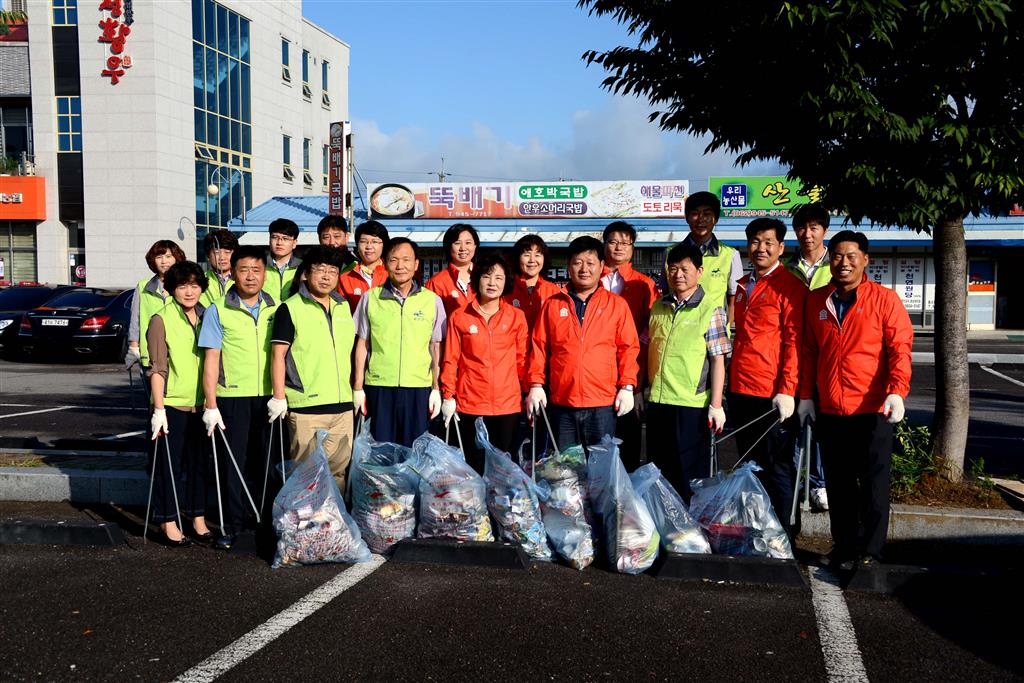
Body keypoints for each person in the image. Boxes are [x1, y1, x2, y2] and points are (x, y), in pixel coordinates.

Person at [798, 230, 912, 568]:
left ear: (865, 259)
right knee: (839, 484)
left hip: (872, 408)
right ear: (829, 259)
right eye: (837, 256)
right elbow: (809, 351)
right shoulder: (818, 300)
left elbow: (899, 349)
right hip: (832, 408)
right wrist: (806, 396)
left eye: (851, 256)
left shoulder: (884, 300)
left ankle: (871, 553)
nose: (843, 263)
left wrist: (897, 390)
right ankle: (844, 546)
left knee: (874, 485)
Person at [728, 218, 807, 539]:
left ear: (781, 248)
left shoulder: (790, 286)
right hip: (741, 388)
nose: (761, 248)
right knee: (750, 465)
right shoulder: (745, 284)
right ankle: (758, 529)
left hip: (772, 393)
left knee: (778, 466)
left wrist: (788, 389)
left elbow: (794, 341)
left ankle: (785, 534)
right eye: (755, 242)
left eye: (768, 243)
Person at [526, 236, 640, 452]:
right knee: (565, 474)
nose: (584, 269)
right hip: (562, 404)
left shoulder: (616, 305)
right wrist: (535, 385)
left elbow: (628, 348)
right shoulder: (553, 304)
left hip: (602, 404)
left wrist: (627, 386)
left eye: (590, 263)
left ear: (602, 267)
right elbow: (539, 347)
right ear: (569, 266)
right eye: (578, 262)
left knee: (600, 473)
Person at [199, 245, 277, 550]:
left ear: (265, 274)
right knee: (233, 465)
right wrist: (211, 403)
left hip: (269, 398)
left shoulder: (277, 307)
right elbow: (211, 359)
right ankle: (231, 524)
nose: (250, 276)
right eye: (243, 270)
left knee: (266, 463)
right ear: (232, 272)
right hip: (232, 398)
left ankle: (265, 522)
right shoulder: (218, 309)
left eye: (256, 270)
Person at [646, 243, 730, 499]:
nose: (678, 274)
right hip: (659, 402)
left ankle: (691, 535)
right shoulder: (659, 307)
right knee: (659, 472)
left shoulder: (710, 309)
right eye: (673, 268)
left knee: (689, 476)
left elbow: (718, 360)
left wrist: (716, 404)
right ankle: (665, 530)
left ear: (699, 272)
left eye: (685, 268)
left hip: (690, 405)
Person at [268, 246, 355, 492]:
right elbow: (278, 355)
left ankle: (332, 524)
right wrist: (279, 396)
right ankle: (305, 526)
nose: (327, 276)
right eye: (320, 270)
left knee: (338, 470)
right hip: (307, 407)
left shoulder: (342, 306)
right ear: (305, 274)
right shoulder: (290, 308)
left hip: (342, 405)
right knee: (307, 473)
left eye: (332, 271)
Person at [440, 252, 528, 473]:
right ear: (477, 279)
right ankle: (477, 507)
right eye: (487, 276)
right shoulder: (460, 317)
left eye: (498, 278)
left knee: (504, 466)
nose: (492, 283)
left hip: (507, 404)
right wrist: (448, 395)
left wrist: (529, 392)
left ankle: (502, 506)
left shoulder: (516, 317)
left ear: (506, 282)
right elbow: (451, 359)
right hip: (471, 403)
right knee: (474, 463)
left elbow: (522, 359)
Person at [352, 238, 445, 447]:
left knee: (416, 450)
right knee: (381, 449)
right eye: (394, 260)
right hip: (379, 386)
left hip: (418, 387)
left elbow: (436, 347)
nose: (400, 266)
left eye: (406, 260)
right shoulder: (370, 298)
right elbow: (362, 345)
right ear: (384, 264)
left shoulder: (432, 300)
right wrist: (358, 388)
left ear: (416, 265)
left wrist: (437, 388)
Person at [147, 261, 212, 547]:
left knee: (200, 464)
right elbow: (158, 368)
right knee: (169, 466)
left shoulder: (207, 315)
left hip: (202, 404)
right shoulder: (161, 319)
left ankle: (197, 517)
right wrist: (159, 408)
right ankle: (168, 520)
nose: (189, 291)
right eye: (182, 286)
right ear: (171, 289)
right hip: (172, 405)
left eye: (194, 285)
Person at [601, 221, 659, 470]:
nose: (618, 247)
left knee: (629, 442)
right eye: (613, 241)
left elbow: (650, 332)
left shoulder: (644, 284)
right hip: (597, 374)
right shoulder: (591, 278)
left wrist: (638, 383)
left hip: (631, 373)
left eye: (625, 243)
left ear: (633, 248)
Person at [786, 203, 832, 511]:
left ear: (824, 231)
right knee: (792, 423)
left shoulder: (836, 264)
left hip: (826, 353)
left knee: (821, 424)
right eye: (802, 227)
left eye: (814, 227)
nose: (807, 234)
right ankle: (793, 480)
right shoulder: (788, 268)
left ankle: (819, 483)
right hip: (792, 353)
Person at [662, 191, 743, 324]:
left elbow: (734, 299)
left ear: (715, 219)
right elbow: (665, 294)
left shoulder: (730, 255)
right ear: (686, 217)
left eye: (707, 214)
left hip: (714, 335)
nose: (701, 219)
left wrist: (724, 329)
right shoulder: (670, 252)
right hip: (679, 330)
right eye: (695, 213)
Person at [126, 240, 186, 370]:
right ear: (153, 260)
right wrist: (133, 346)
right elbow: (135, 319)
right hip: (151, 353)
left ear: (177, 258)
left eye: (168, 256)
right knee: (153, 390)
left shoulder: (185, 287)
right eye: (159, 257)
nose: (164, 261)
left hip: (181, 352)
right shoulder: (143, 286)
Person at [503, 234, 561, 332]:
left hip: (543, 346)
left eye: (537, 255)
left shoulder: (554, 291)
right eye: (526, 255)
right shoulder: (506, 289)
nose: (532, 260)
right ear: (517, 258)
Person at [426, 223, 478, 317]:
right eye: (457, 243)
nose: (463, 248)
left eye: (468, 243)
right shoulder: (436, 283)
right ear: (449, 247)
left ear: (475, 246)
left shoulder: (485, 277)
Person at [338, 220, 389, 312]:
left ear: (383, 245)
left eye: (375, 242)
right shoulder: (345, 278)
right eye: (363, 241)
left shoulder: (393, 274)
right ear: (357, 245)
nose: (369, 246)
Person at [263, 218, 301, 302]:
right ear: (269, 240)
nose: (279, 243)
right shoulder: (260, 265)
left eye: (285, 238)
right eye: (275, 237)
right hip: (265, 314)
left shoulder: (303, 267)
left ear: (294, 243)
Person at [199, 228, 238, 308]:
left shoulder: (243, 279)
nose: (222, 257)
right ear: (208, 256)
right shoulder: (200, 281)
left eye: (227, 252)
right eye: (217, 252)